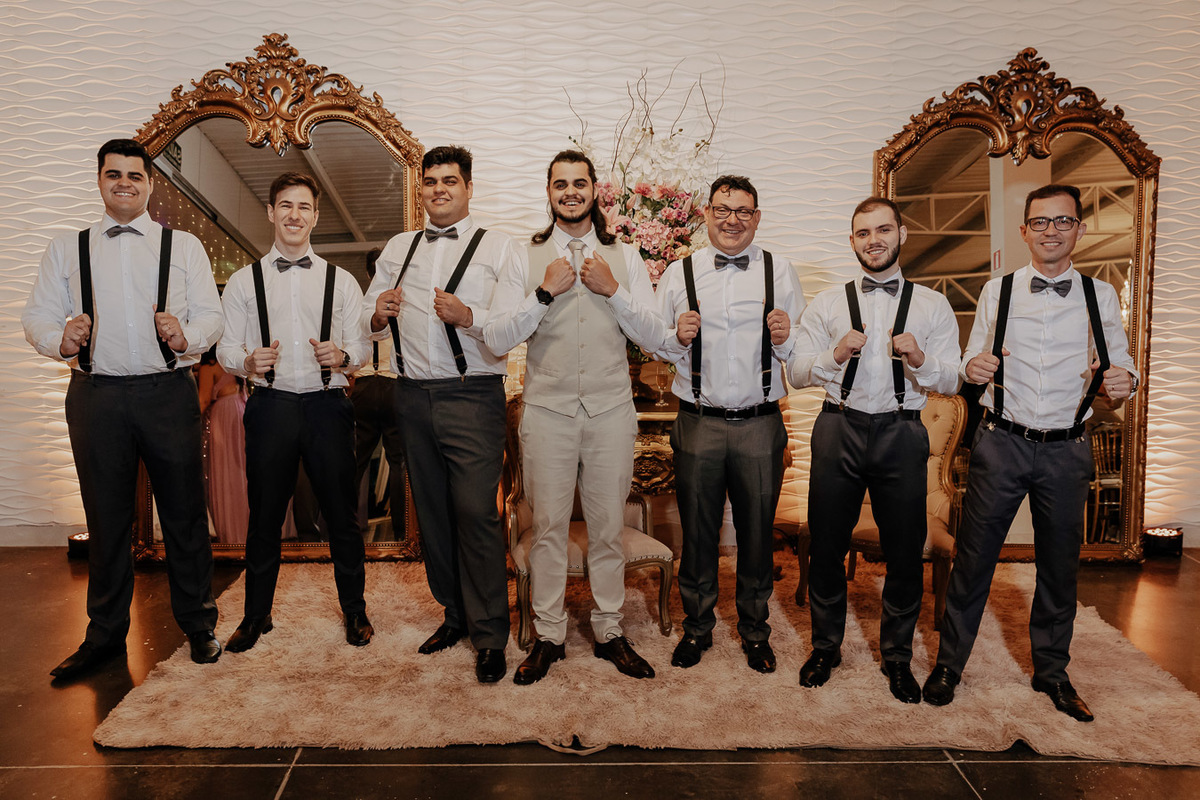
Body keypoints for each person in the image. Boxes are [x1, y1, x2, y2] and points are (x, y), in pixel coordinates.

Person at [923, 184, 1139, 721]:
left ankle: (1052, 673)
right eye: (1040, 222)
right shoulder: (997, 290)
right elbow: (973, 354)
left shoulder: (1100, 295)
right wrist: (973, 367)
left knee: (1059, 568)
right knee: (974, 561)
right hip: (1002, 442)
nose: (1051, 231)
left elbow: (1122, 367)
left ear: (1079, 229)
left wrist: (1124, 381)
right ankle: (950, 665)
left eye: (1062, 221)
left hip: (1067, 448)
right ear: (1024, 231)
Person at [23, 138, 223, 679]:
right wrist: (60, 339)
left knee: (183, 514)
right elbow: (37, 315)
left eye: (135, 175)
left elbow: (211, 315)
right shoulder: (66, 249)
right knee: (106, 520)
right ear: (100, 181)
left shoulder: (184, 247)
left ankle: (199, 625)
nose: (124, 183)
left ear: (150, 184)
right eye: (114, 174)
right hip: (97, 395)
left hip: (168, 392)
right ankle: (105, 637)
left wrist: (186, 335)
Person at [484, 150, 666, 684]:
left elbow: (656, 337)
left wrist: (615, 291)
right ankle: (549, 635)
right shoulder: (524, 257)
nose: (570, 192)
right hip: (548, 411)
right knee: (547, 529)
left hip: (611, 411)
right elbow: (496, 337)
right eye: (560, 184)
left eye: (579, 183)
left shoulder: (625, 258)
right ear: (549, 192)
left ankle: (609, 630)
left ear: (594, 190)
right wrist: (543, 293)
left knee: (609, 527)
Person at [788, 197, 960, 701]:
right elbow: (795, 372)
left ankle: (898, 658)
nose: (874, 240)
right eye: (863, 233)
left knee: (905, 551)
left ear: (902, 234)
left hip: (902, 432)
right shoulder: (826, 304)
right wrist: (835, 354)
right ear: (852, 241)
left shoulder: (933, 304)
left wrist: (921, 359)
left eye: (883, 230)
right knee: (826, 545)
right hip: (837, 427)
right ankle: (825, 647)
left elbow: (953, 378)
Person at [366, 145, 517, 683]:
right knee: (431, 514)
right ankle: (455, 615)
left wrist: (468, 315)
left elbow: (513, 326)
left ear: (468, 188)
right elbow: (366, 317)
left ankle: (490, 634)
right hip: (411, 395)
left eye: (449, 181)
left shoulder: (500, 247)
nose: (439, 189)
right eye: (430, 181)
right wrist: (376, 315)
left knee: (476, 513)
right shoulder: (399, 247)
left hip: (472, 394)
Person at [652, 175, 805, 674]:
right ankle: (697, 628)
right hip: (698, 420)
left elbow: (800, 350)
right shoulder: (679, 273)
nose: (732, 219)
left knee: (757, 533)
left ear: (756, 217)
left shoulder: (780, 270)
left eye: (742, 211)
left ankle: (755, 632)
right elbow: (655, 344)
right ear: (707, 214)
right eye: (722, 209)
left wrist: (785, 336)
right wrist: (676, 337)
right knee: (698, 531)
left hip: (761, 422)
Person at [217, 171, 373, 653]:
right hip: (271, 406)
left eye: (304, 207)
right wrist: (246, 362)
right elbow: (225, 347)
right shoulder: (243, 282)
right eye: (285, 205)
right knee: (264, 517)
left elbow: (363, 348)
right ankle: (255, 616)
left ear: (316, 216)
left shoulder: (342, 282)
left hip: (328, 406)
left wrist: (343, 357)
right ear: (271, 212)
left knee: (341, 516)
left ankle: (355, 611)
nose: (294, 215)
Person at [351, 249, 407, 544]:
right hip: (393, 384)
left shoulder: (360, 305)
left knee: (356, 461)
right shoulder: (400, 304)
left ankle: (346, 528)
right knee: (398, 462)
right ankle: (401, 532)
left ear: (367, 273)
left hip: (363, 387)